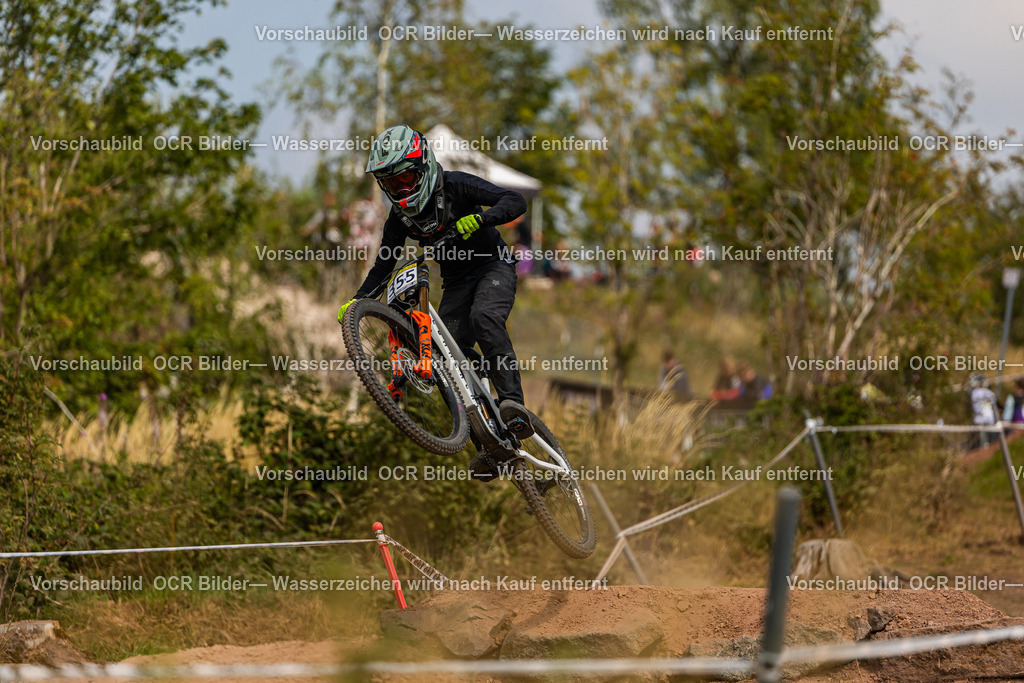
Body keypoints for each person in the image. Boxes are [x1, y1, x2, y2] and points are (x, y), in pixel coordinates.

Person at [337, 125, 531, 480]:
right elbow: (384, 264)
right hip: (456, 283)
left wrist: (482, 218)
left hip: (493, 266)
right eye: (392, 185)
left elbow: (514, 201)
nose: (401, 190)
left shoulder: (457, 184)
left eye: (407, 179)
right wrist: (355, 304)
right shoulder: (399, 218)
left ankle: (513, 405)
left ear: (423, 165)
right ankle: (488, 447)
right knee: (444, 364)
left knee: (485, 316)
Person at [969, 374, 999, 449]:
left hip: (982, 417)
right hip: (987, 417)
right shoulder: (986, 392)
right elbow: (994, 399)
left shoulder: (976, 392)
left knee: (985, 441)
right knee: (989, 439)